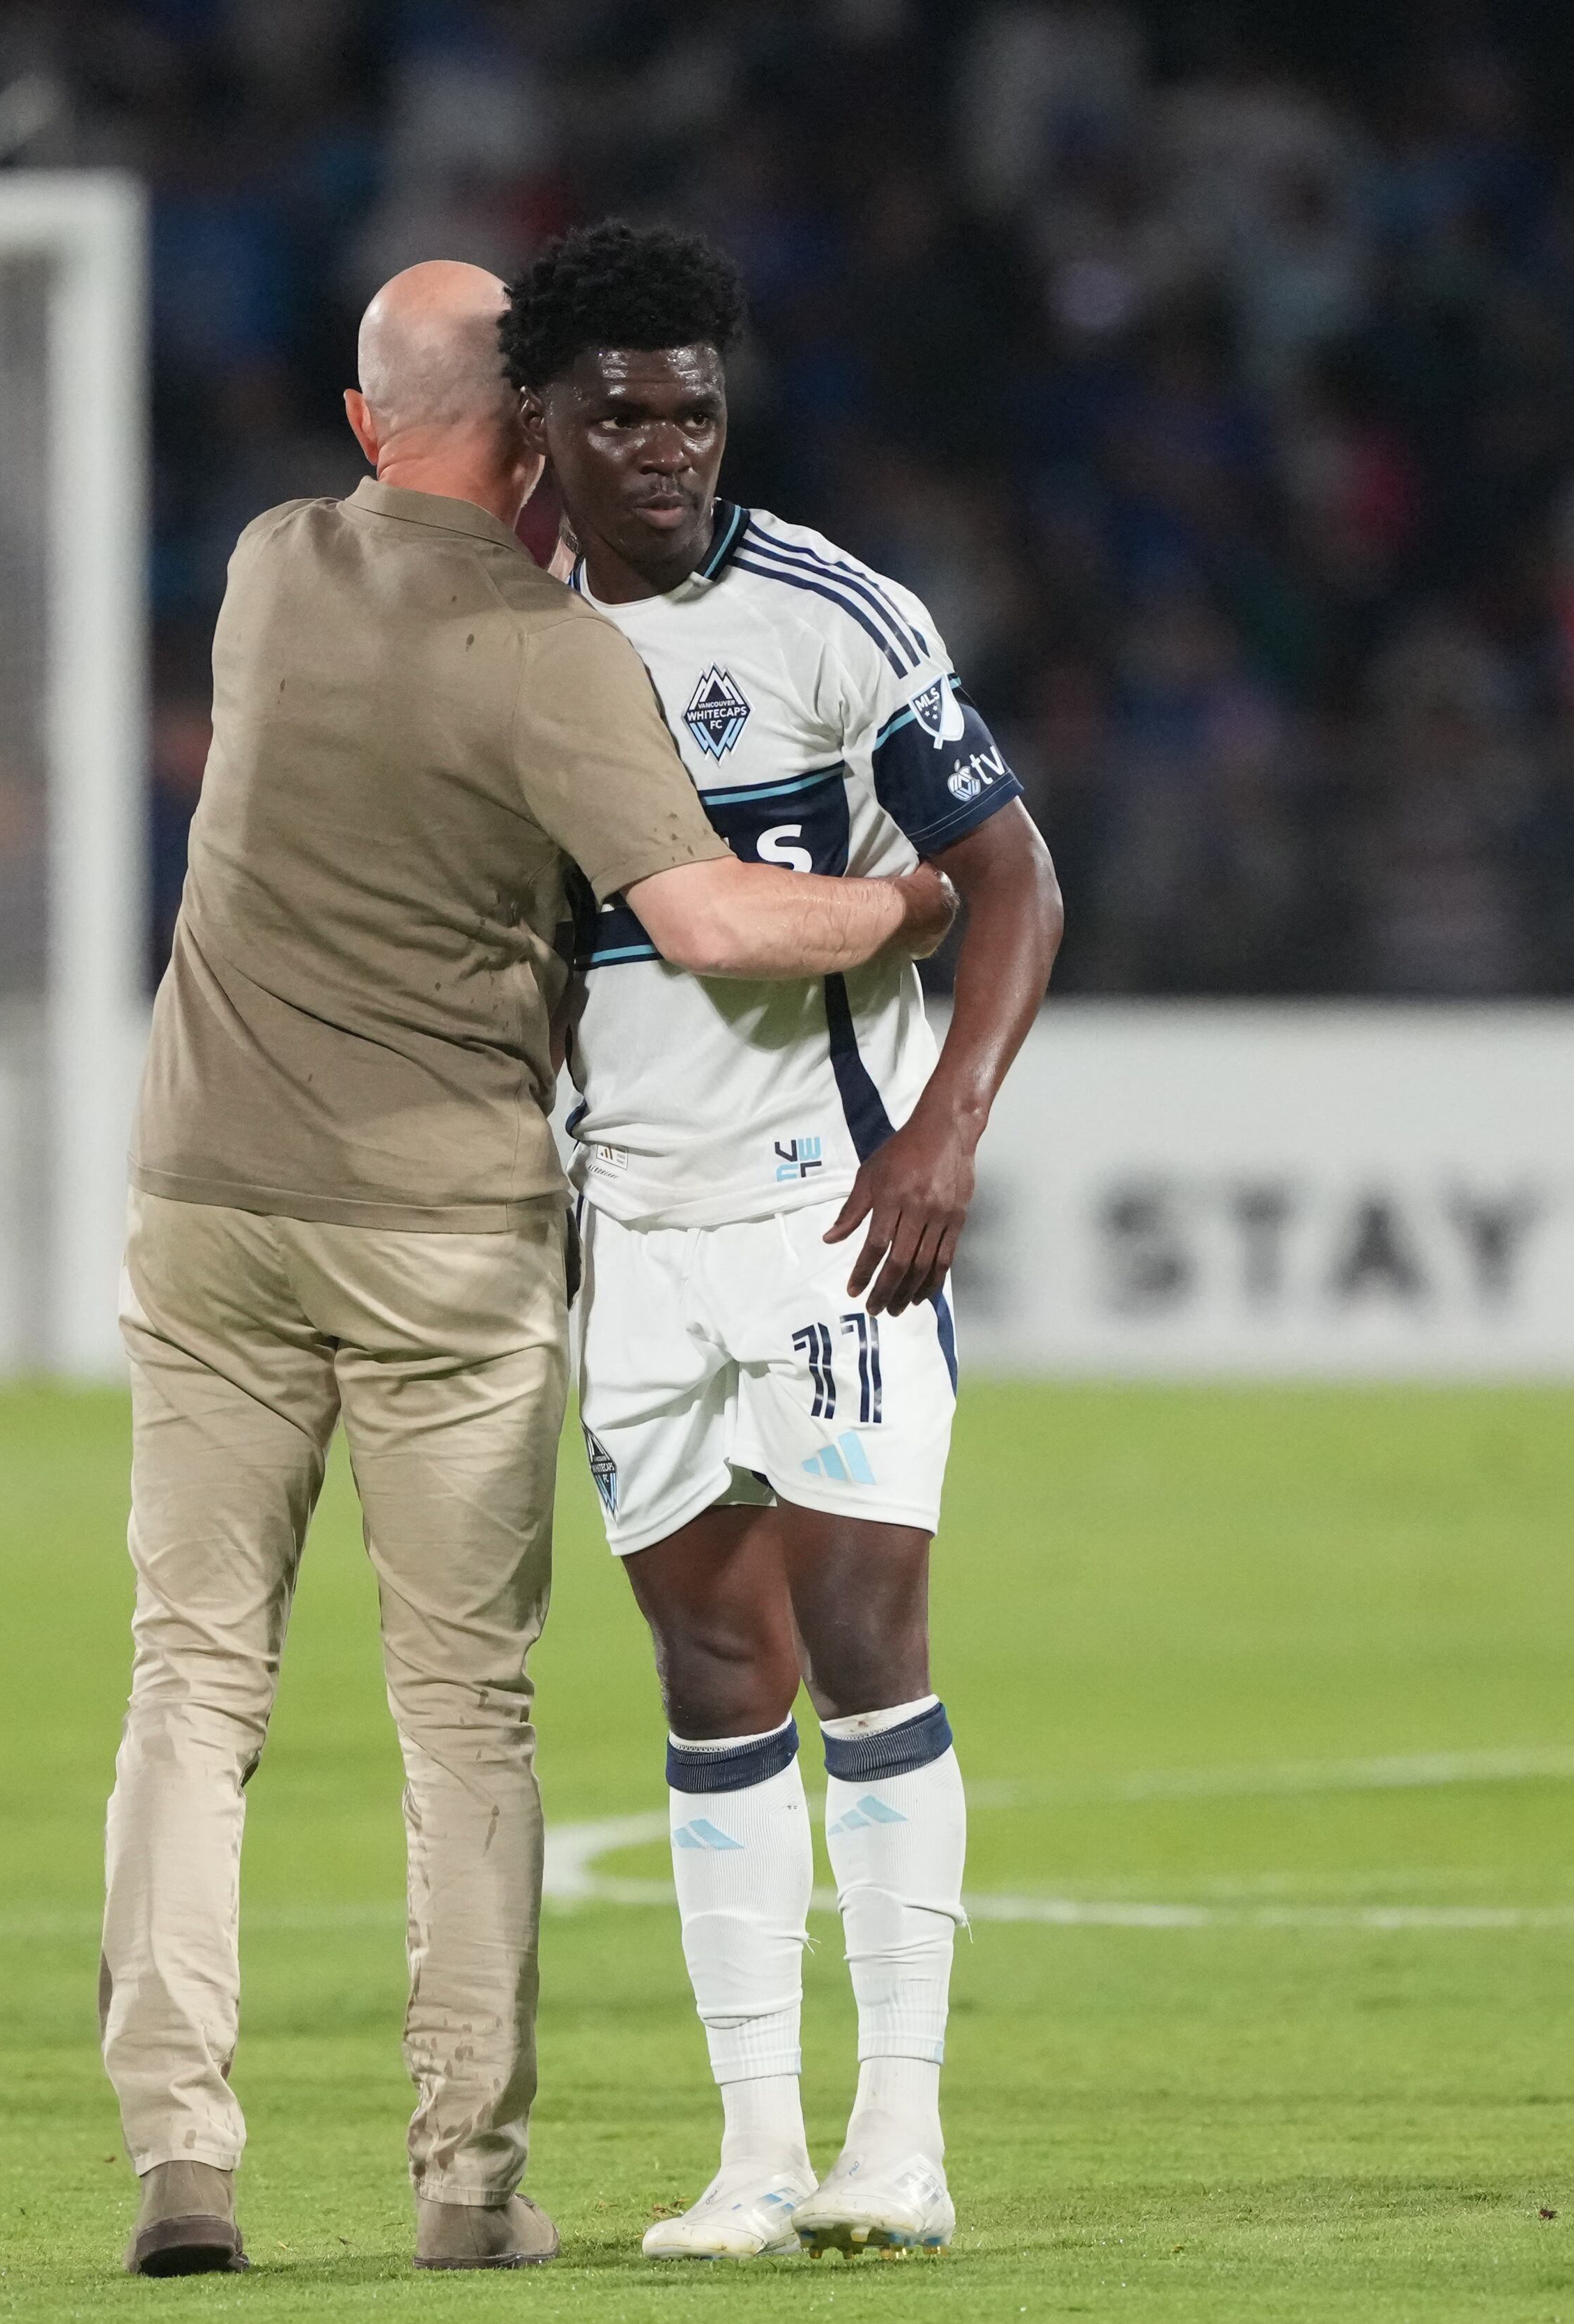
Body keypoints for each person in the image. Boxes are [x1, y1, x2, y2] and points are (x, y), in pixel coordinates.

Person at [100, 261, 959, 2275]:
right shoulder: (549, 654)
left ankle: (182, 2162)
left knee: (190, 1681)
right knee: (463, 1711)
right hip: (441, 1235)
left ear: (359, 418)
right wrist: (911, 892)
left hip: (203, 1198)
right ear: (537, 425)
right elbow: (717, 923)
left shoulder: (264, 570)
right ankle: (464, 2188)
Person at [507, 219, 1065, 2259]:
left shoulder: (831, 612)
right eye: (622, 411)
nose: (665, 445)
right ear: (544, 424)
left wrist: (943, 1126)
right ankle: (755, 2149)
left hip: (828, 1212)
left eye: (696, 409)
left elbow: (1013, 881)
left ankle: (897, 2139)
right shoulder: (508, 637)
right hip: (626, 1231)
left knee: (863, 1644)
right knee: (709, 1662)